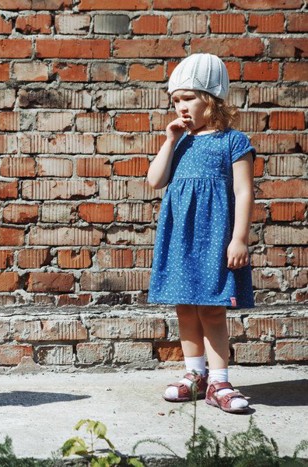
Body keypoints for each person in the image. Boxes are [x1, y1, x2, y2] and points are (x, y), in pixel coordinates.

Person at [147, 53, 255, 414]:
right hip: (181, 237)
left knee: (211, 309)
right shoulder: (181, 141)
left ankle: (219, 380)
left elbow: (243, 191)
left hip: (215, 237)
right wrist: (169, 140)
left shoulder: (233, 141)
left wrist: (239, 238)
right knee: (184, 306)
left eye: (189, 97)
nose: (181, 106)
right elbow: (154, 180)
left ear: (213, 99)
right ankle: (194, 375)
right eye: (176, 100)